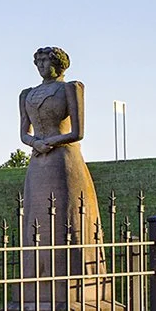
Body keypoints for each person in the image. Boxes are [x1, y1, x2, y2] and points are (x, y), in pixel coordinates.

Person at [17, 47, 103, 279]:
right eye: (39, 61)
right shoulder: (27, 94)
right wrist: (35, 143)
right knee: (37, 218)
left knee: (68, 216)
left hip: (64, 159)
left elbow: (78, 131)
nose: (41, 66)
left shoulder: (70, 88)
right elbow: (23, 133)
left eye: (46, 61)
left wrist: (50, 142)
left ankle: (76, 275)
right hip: (38, 162)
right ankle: (38, 274)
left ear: (59, 63)